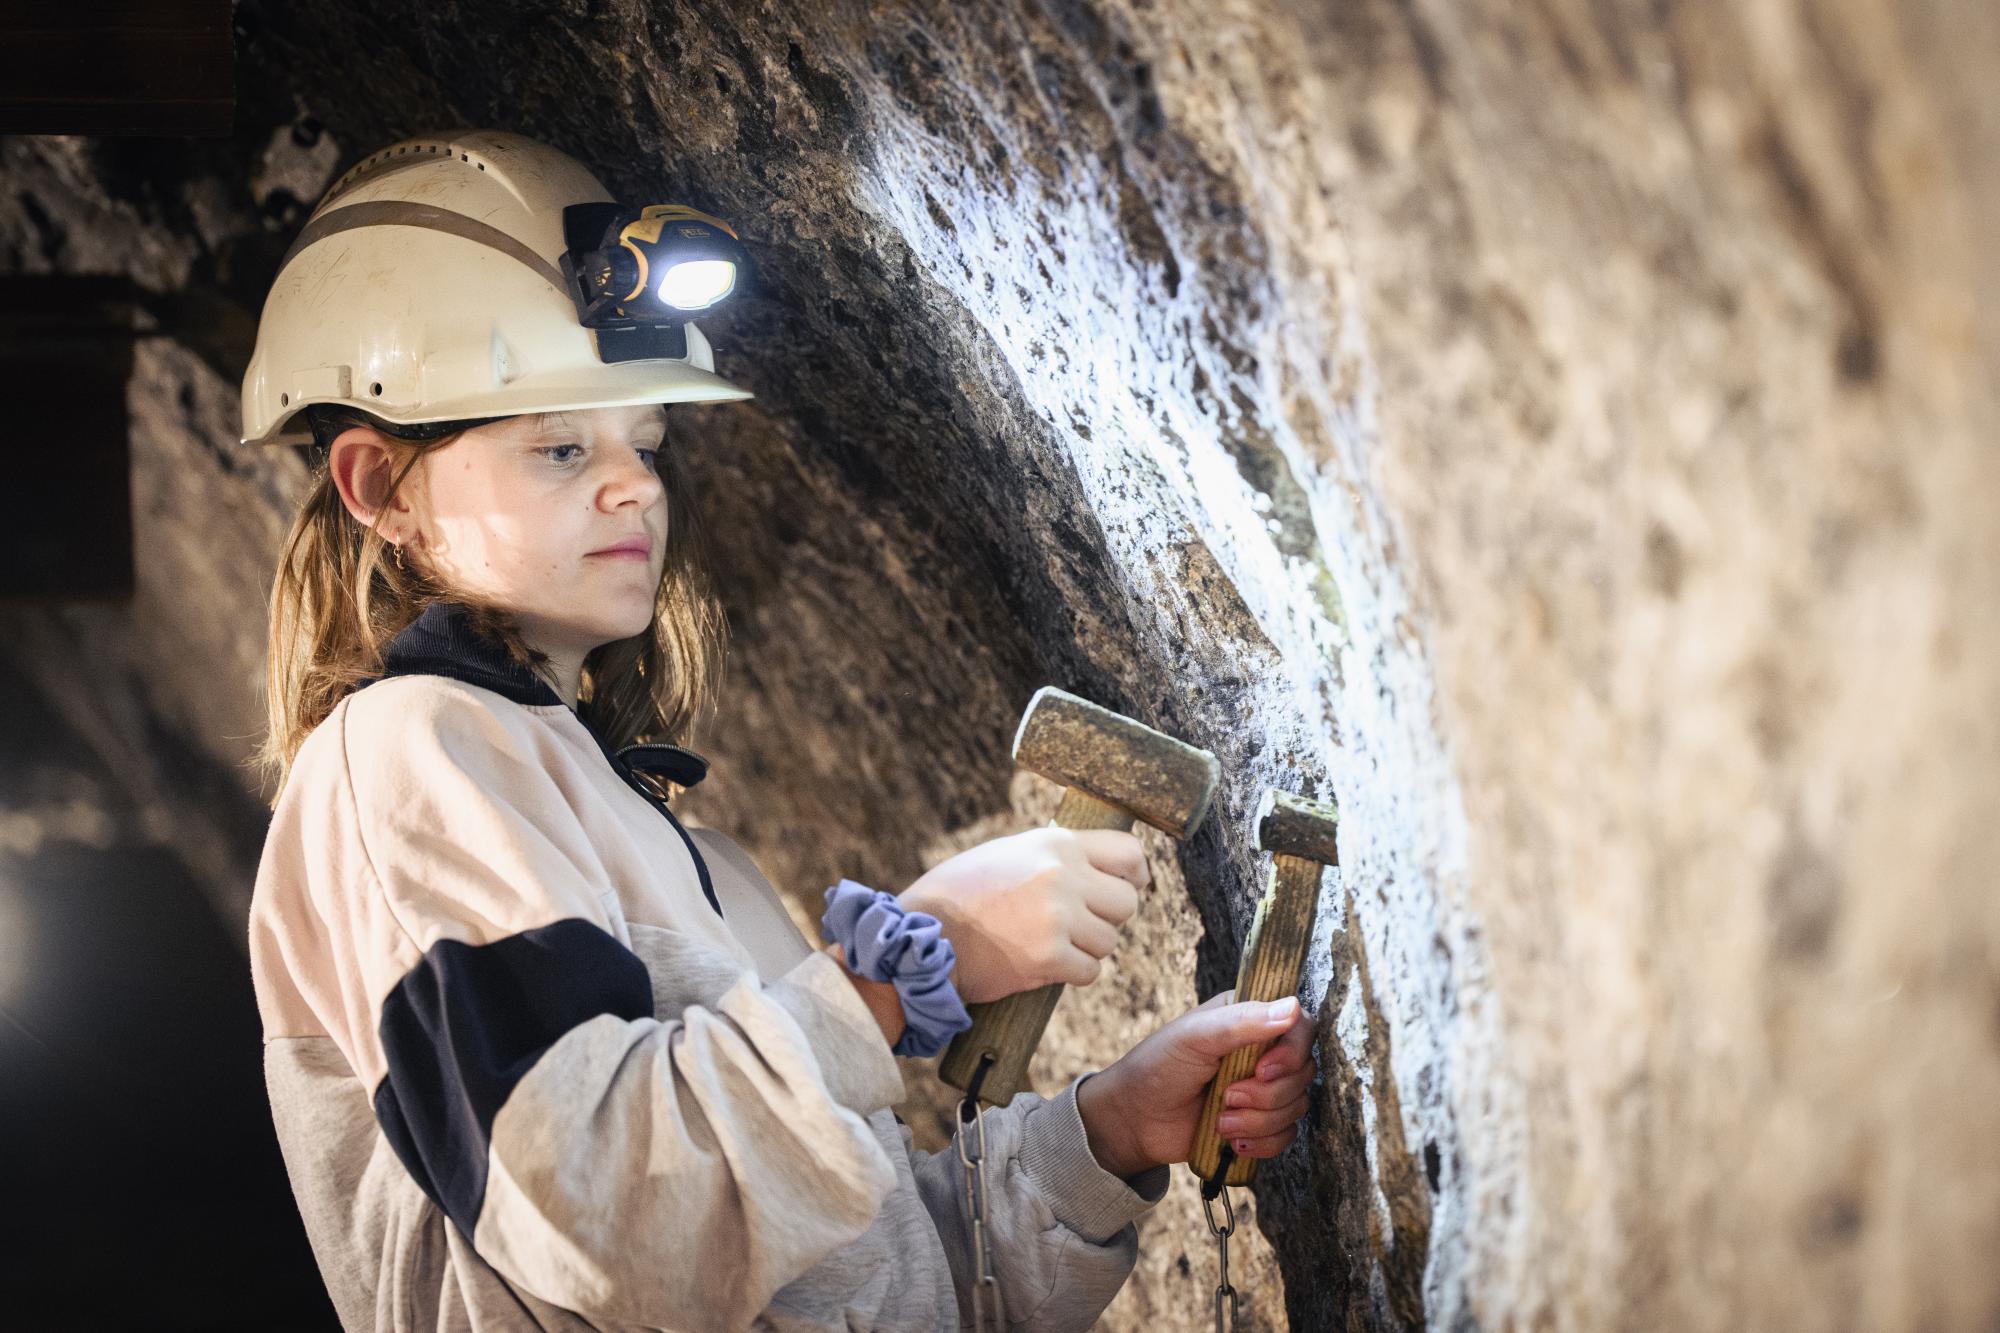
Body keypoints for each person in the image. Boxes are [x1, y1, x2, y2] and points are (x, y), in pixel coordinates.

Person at [242, 129, 1317, 1332]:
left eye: (643, 442)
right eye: (559, 446)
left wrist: (1107, 1131)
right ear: (378, 485)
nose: (634, 485)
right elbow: (597, 1221)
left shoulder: (698, 864)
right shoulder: (401, 757)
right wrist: (912, 968)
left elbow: (869, 1287)